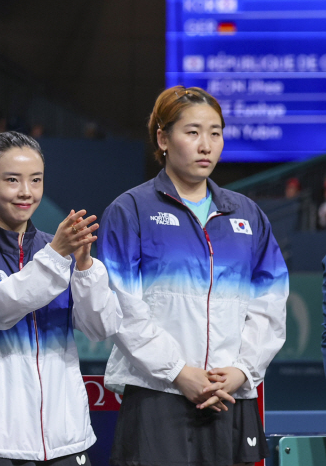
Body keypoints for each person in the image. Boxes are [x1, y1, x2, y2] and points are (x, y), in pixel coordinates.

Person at [97, 86, 289, 466]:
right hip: (157, 395)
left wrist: (241, 370)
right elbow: (120, 304)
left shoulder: (247, 214)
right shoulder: (130, 209)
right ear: (162, 138)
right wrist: (178, 372)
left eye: (215, 133)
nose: (206, 145)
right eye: (193, 132)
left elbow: (271, 301)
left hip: (229, 395)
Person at [0, 132, 122, 465]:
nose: (26, 192)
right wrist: (56, 256)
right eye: (12, 180)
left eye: (35, 180)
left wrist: (83, 266)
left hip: (63, 439)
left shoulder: (58, 250)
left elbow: (101, 327)